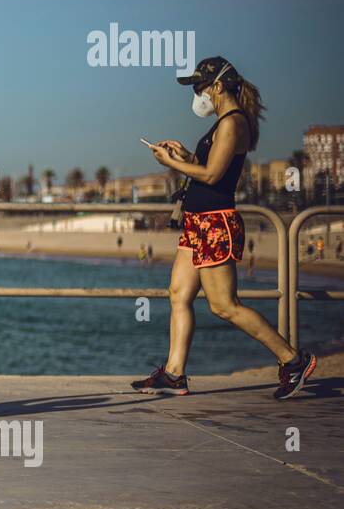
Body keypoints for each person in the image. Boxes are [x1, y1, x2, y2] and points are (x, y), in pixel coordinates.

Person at [132, 57, 316, 400]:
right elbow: (207, 166)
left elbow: (215, 177)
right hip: (197, 222)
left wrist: (171, 164)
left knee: (224, 305)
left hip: (217, 223)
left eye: (200, 87)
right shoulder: (221, 124)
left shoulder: (233, 123)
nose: (198, 94)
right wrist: (185, 155)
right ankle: (174, 374)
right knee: (178, 294)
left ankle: (293, 360)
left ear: (217, 86)